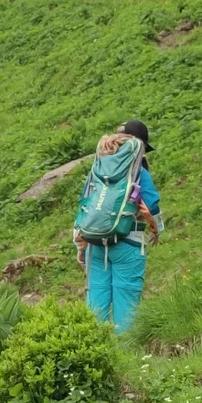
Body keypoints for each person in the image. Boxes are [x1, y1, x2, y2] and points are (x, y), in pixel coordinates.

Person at [73, 119, 161, 334]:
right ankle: (126, 358)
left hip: (94, 243)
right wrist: (156, 228)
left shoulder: (98, 169)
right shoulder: (138, 172)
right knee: (127, 305)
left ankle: (95, 354)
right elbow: (152, 206)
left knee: (96, 303)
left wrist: (80, 247)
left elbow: (85, 204)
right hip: (128, 242)